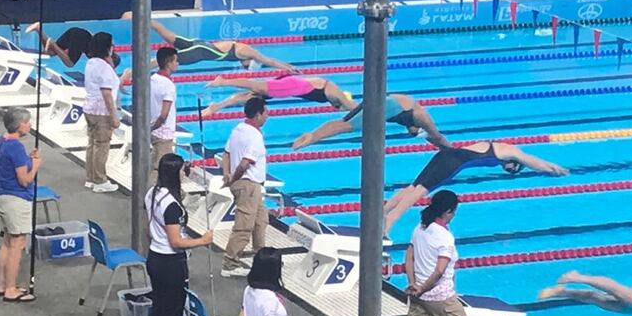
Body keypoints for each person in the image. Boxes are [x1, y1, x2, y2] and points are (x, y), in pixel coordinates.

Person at [397, 190, 501, 316]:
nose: (454, 215)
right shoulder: (444, 237)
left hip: (419, 295)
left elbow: (408, 258)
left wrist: (413, 284)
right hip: (440, 296)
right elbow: (439, 271)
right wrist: (423, 287)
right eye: (454, 212)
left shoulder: (420, 228)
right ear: (447, 212)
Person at [383, 141, 569, 236]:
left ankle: (383, 211)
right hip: (453, 162)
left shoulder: (499, 146)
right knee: (420, 191)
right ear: (514, 163)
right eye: (511, 169)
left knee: (413, 187)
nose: (507, 169)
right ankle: (389, 221)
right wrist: (554, 168)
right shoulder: (512, 152)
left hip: (445, 155)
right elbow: (534, 162)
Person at [145, 153, 214, 316]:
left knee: (158, 310)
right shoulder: (171, 206)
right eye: (185, 169)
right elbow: (176, 242)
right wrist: (202, 241)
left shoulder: (152, 194)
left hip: (154, 256)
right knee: (170, 315)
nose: (187, 172)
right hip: (170, 263)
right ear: (176, 173)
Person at [122, 13, 296, 73]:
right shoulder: (248, 52)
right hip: (199, 51)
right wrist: (284, 67)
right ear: (250, 61)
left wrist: (287, 64)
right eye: (246, 66)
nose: (243, 66)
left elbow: (269, 59)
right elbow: (268, 60)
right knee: (160, 62)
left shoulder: (240, 48)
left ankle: (136, 16)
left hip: (199, 43)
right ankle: (130, 72)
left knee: (165, 33)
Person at [0, 108, 40, 303]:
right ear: (20, 125)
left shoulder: (2, 141)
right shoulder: (16, 147)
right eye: (28, 122)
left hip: (2, 197)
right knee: (17, 244)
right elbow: (25, 180)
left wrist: (28, 159)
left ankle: (3, 284)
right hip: (15, 200)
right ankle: (11, 289)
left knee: (7, 241)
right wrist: (36, 164)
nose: (30, 125)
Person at [293, 93, 451, 150]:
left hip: (381, 97)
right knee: (347, 127)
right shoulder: (420, 117)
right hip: (387, 105)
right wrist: (451, 151)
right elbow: (436, 137)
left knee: (342, 122)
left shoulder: (410, 110)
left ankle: (312, 134)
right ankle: (312, 138)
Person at [221, 97, 269, 277]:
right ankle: (230, 263)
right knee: (244, 226)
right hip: (248, 185)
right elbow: (244, 164)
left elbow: (226, 154)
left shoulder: (238, 129)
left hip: (248, 185)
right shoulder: (254, 135)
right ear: (258, 115)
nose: (268, 116)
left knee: (260, 221)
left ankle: (260, 259)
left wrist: (226, 174)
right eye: (266, 113)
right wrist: (233, 177)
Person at [202, 75, 357, 117]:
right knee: (256, 86)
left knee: (251, 97)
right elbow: (355, 109)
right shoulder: (336, 93)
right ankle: (223, 81)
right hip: (292, 86)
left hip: (291, 86)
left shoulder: (334, 99)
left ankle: (217, 106)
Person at [83, 32, 121, 193]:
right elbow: (107, 93)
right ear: (107, 47)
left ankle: (91, 178)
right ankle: (100, 180)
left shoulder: (91, 62)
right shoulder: (104, 67)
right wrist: (114, 116)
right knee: (102, 145)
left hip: (89, 109)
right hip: (101, 112)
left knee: (92, 144)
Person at [150, 47, 178, 185]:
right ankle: (152, 198)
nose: (177, 64)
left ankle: (181, 195)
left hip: (153, 129)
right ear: (168, 63)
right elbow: (164, 115)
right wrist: (154, 127)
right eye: (175, 61)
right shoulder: (168, 85)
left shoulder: (152, 79)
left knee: (158, 165)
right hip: (162, 133)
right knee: (159, 168)